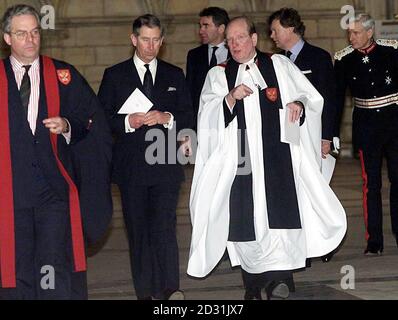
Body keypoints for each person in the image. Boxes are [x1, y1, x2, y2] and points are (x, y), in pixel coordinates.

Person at [187, 16, 346, 300]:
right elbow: (206, 115)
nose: (234, 44)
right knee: (246, 219)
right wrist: (230, 99)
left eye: (240, 38)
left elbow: (311, 98)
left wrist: (298, 103)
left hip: (277, 157)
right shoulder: (218, 75)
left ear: (254, 39)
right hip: (240, 159)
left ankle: (280, 280)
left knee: (280, 217)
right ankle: (253, 283)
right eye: (230, 40)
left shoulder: (279, 66)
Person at [0, 4, 112, 300]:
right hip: (11, 195)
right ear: (7, 38)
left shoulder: (63, 74)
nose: (30, 39)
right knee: (17, 267)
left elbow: (92, 120)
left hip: (53, 193)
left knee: (52, 266)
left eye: (35, 32)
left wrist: (66, 125)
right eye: (21, 33)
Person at [98, 14, 193, 300]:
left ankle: (170, 288)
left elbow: (188, 116)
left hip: (165, 161)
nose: (150, 46)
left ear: (162, 42)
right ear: (134, 39)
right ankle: (146, 292)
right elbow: (102, 119)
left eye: (156, 40)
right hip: (131, 167)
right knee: (139, 231)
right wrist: (129, 121)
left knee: (164, 227)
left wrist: (168, 117)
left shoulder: (174, 74)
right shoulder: (115, 75)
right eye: (145, 40)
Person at [268, 8, 338, 264]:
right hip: (290, 139)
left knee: (317, 190)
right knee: (296, 191)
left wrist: (327, 137)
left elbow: (329, 99)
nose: (272, 35)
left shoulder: (318, 58)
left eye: (275, 30)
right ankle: (303, 246)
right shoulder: (276, 61)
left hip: (314, 136)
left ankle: (326, 242)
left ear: (289, 29)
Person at [334, 13, 398, 255]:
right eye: (349, 33)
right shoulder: (344, 59)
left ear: (370, 32)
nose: (351, 37)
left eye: (356, 32)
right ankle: (374, 240)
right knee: (371, 185)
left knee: (397, 179)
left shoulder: (392, 51)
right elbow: (337, 100)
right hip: (366, 127)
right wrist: (332, 134)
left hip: (394, 124)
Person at [186, 7, 230, 130]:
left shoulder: (235, 52)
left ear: (221, 29)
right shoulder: (194, 55)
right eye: (200, 26)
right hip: (201, 123)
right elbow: (190, 93)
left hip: (229, 121)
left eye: (206, 26)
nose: (201, 31)